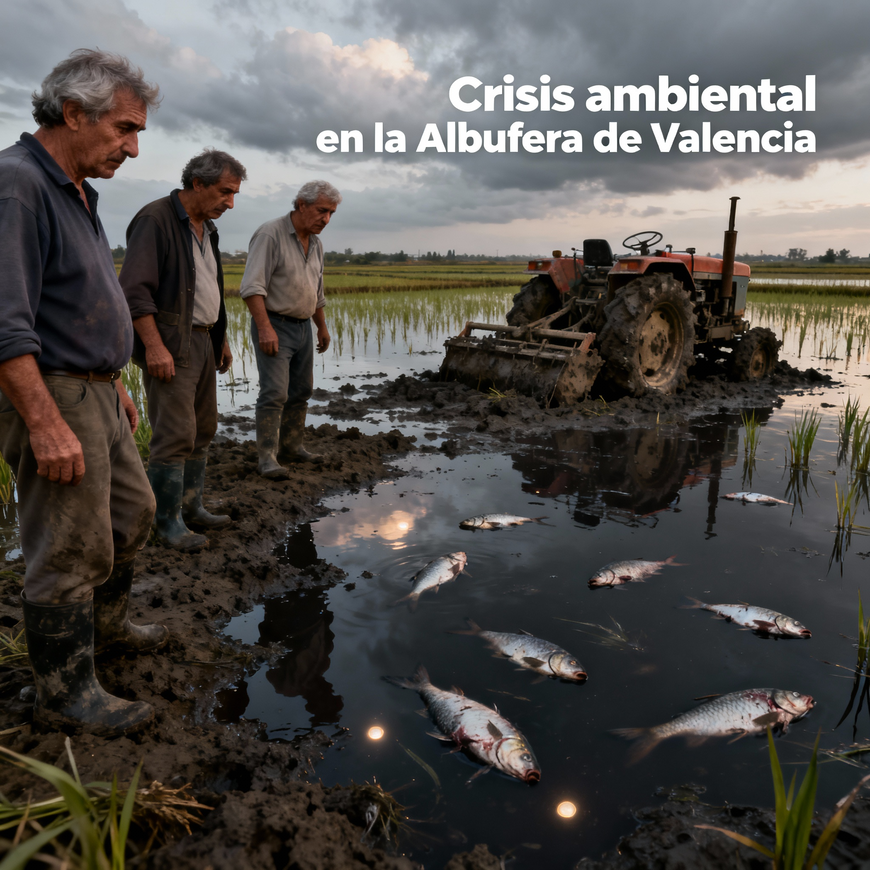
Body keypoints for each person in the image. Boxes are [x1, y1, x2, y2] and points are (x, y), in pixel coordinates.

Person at [0, 50, 163, 736]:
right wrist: (44, 420)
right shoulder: (17, 185)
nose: (131, 146)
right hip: (52, 391)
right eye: (125, 129)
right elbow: (5, 320)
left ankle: (109, 632)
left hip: (95, 389)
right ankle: (66, 693)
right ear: (74, 113)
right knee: (69, 545)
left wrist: (113, 382)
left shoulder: (76, 191)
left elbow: (81, 303)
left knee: (133, 513)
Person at [120, 149, 246, 551]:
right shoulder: (155, 220)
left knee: (203, 428)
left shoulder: (207, 229)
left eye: (234, 194)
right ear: (197, 183)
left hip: (203, 339)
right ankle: (166, 522)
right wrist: (154, 348)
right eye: (225, 192)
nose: (230, 202)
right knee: (174, 434)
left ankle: (193, 507)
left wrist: (219, 337)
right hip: (172, 342)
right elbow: (136, 293)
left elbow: (207, 289)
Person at [240, 180, 340, 479]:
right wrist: (265, 329)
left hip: (302, 328)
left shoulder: (317, 243)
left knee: (301, 391)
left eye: (331, 213)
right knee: (274, 392)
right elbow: (251, 287)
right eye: (322, 210)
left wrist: (321, 327)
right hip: (275, 325)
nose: (326, 219)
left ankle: (292, 447)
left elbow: (317, 291)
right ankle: (267, 458)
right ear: (301, 205)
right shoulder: (270, 234)